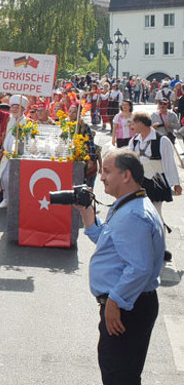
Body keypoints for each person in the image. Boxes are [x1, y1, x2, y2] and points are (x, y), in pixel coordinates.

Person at [74, 149, 165, 384]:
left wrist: (115, 301)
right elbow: (109, 242)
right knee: (119, 373)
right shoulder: (128, 205)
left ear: (126, 176)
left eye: (107, 171)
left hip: (127, 307)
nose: (102, 177)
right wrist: (87, 215)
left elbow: (139, 268)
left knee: (119, 376)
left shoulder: (133, 214)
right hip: (129, 304)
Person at [128, 112, 181, 230]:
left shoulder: (162, 141)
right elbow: (130, 161)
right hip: (139, 182)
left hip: (156, 181)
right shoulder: (134, 141)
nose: (131, 126)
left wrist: (176, 183)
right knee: (140, 212)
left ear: (141, 124)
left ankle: (158, 237)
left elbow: (170, 164)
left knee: (154, 211)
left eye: (133, 123)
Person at [0, 94, 31, 208]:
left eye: (18, 106)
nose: (14, 109)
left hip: (20, 156)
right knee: (4, 178)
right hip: (6, 155)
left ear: (24, 109)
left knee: (17, 180)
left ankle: (16, 200)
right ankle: (6, 198)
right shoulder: (7, 118)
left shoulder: (28, 122)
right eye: (13, 106)